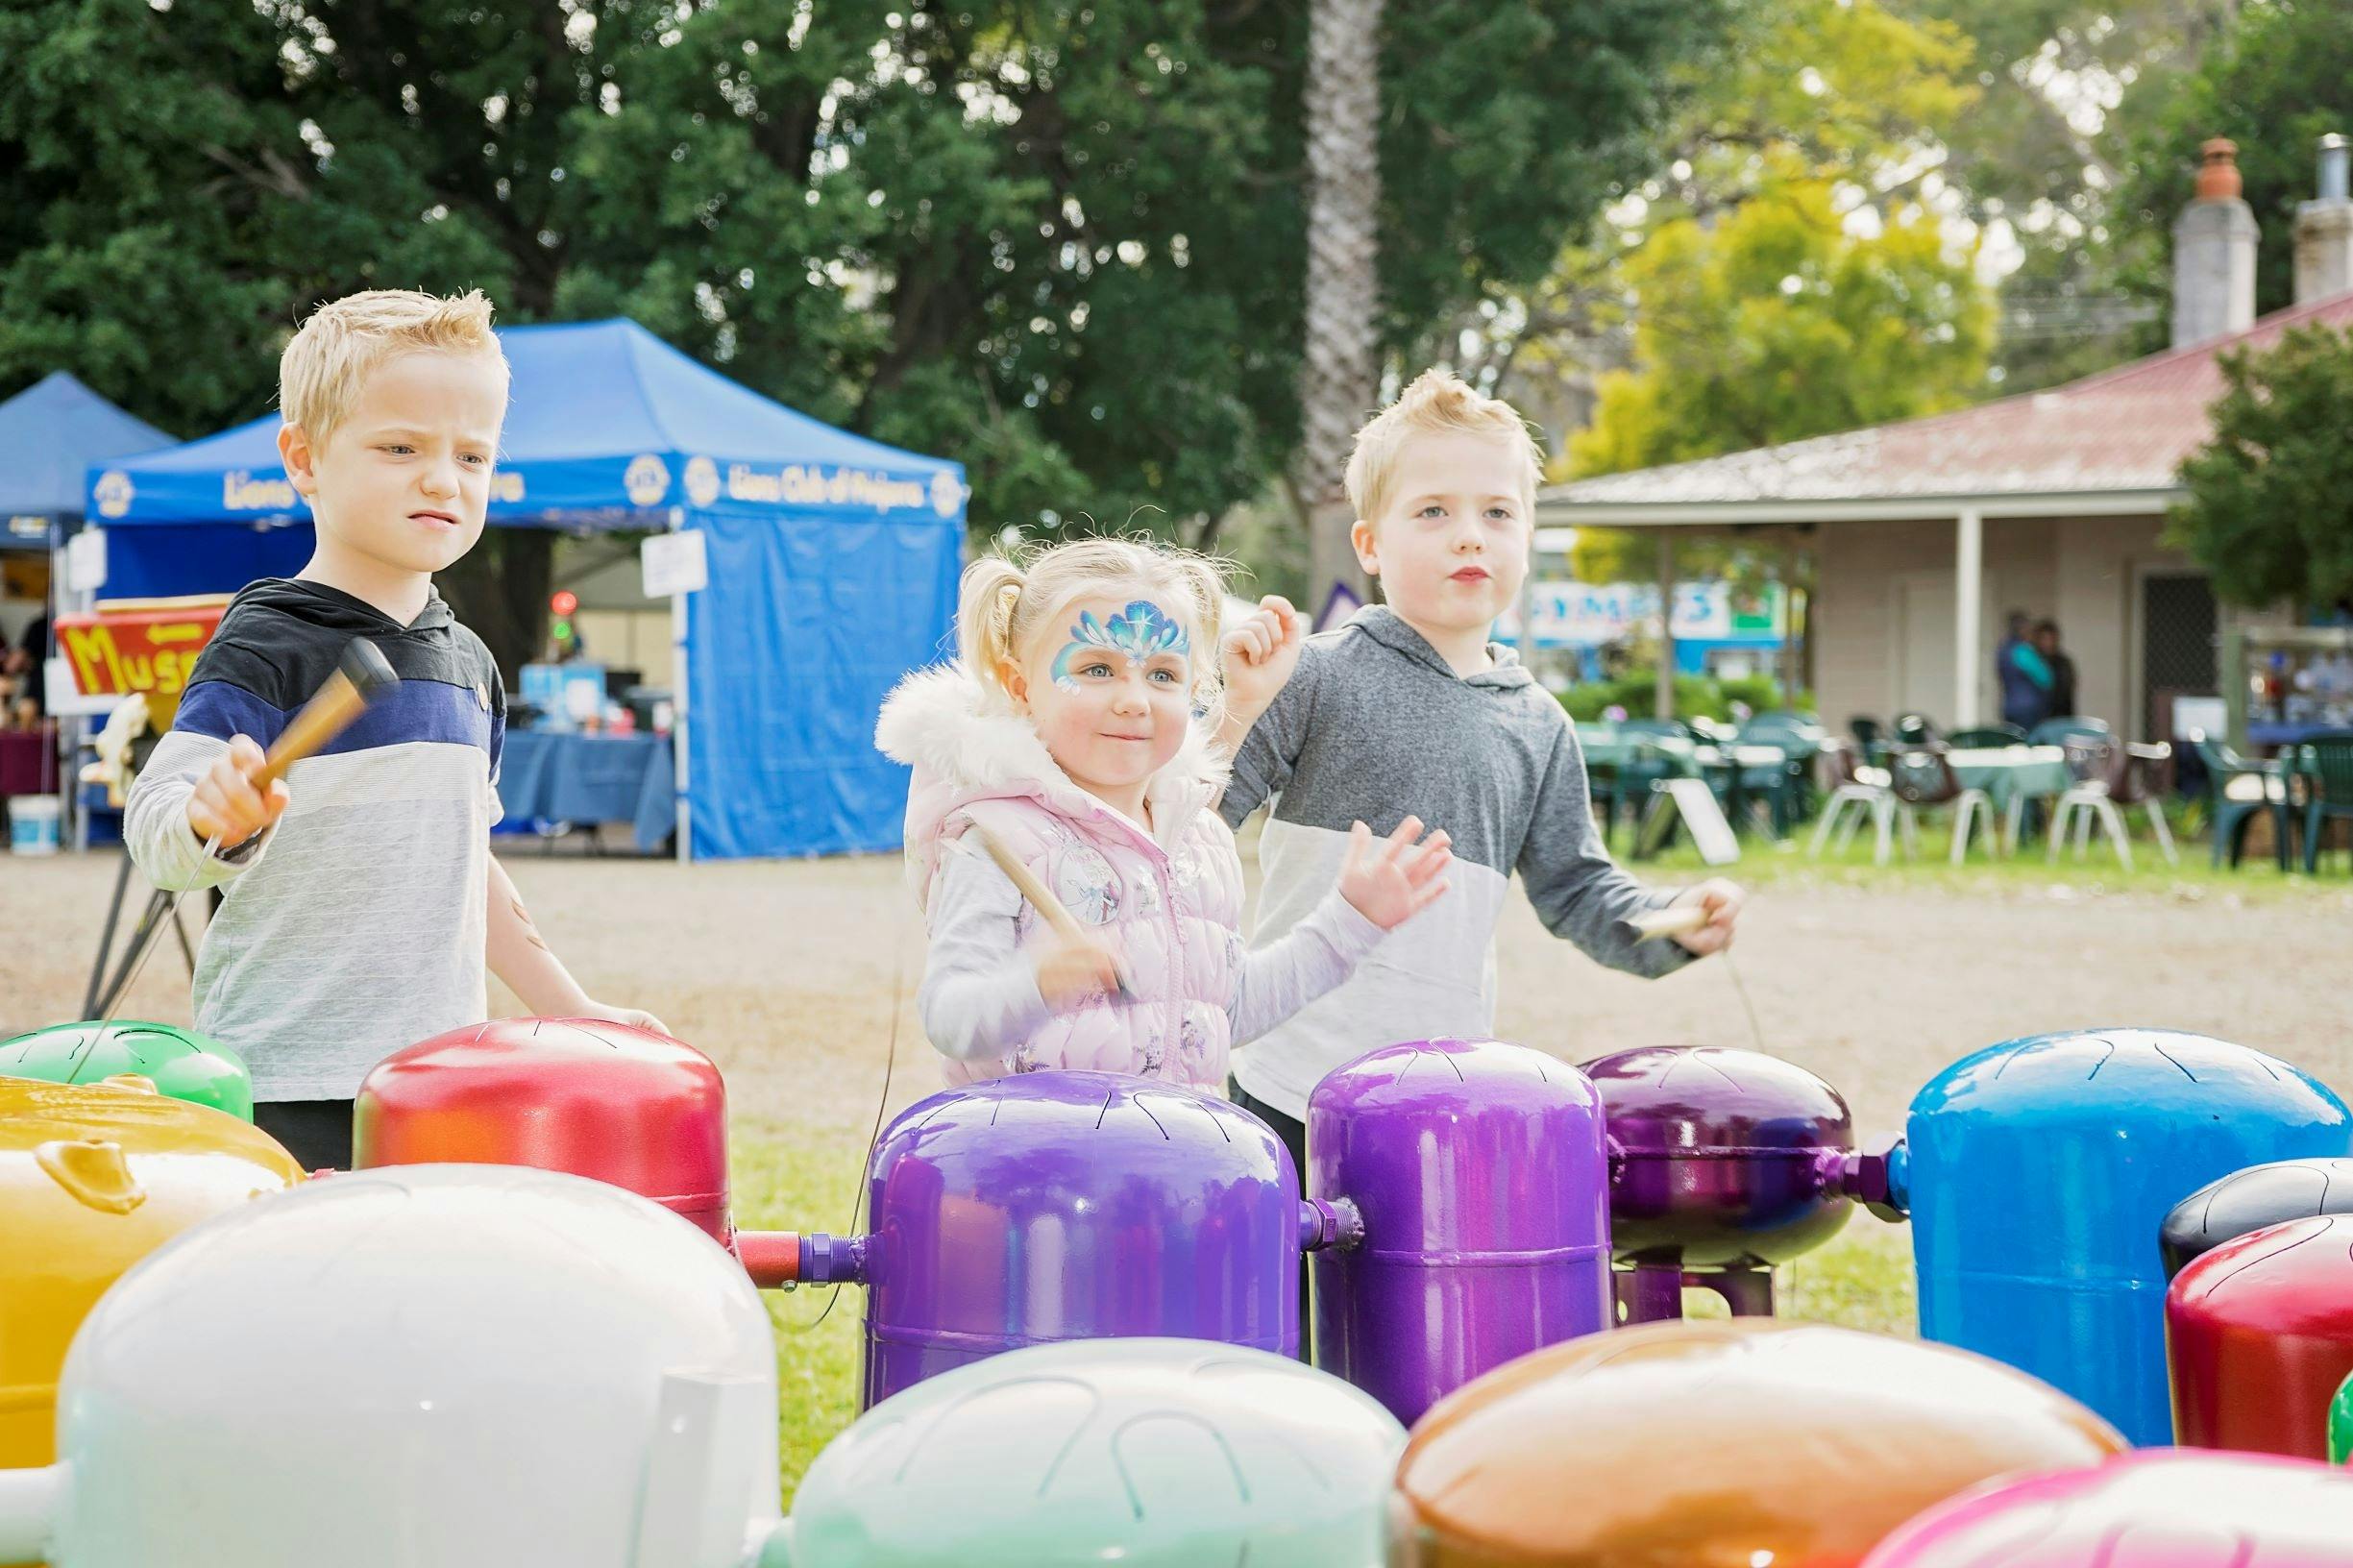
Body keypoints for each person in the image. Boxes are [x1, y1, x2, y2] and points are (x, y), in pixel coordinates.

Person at [124, 290, 661, 1169]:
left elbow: (464, 869)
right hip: (284, 1082)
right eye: (400, 447)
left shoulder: (470, 665)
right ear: (303, 459)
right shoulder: (267, 642)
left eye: (472, 454)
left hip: (438, 1083)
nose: (443, 478)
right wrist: (207, 820)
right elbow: (159, 834)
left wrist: (568, 1007)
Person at [1214, 368, 1743, 1192]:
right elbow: (1196, 817)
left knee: (1412, 1312)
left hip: (1437, 1097)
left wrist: (1668, 923)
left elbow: (1577, 890)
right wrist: (1228, 710)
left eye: (1497, 512)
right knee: (1280, 1317)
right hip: (1287, 1081)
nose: (1471, 536)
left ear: (1527, 536)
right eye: (1433, 511)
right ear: (1369, 545)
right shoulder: (1312, 676)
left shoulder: (1539, 725)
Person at [874, 537, 1454, 1089]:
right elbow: (948, 1016)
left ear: (1194, 689)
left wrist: (1351, 920)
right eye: (1096, 669)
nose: (1134, 699)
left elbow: (1222, 1015)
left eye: (1163, 675)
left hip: (1175, 1172)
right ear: (1019, 686)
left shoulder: (1201, 842)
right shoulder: (997, 841)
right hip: (1035, 1177)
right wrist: (1036, 983)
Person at [1998, 610, 2052, 731]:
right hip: (2028, 709)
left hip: (2009, 705)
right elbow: (2045, 679)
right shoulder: (2023, 651)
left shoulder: (2003, 649)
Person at [2033, 619, 2076, 720]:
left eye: (2051, 639)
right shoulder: (2034, 663)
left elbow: (2066, 691)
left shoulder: (2063, 662)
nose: (2048, 643)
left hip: (2061, 716)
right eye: (2044, 639)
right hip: (2037, 717)